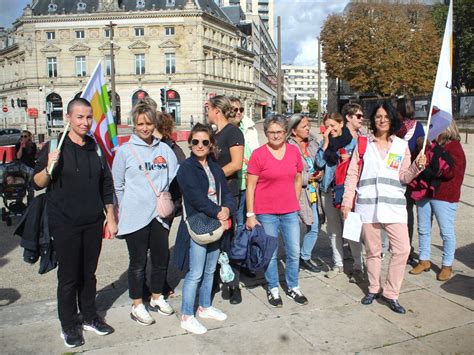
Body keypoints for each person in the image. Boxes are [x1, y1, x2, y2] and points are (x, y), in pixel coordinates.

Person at [32, 98, 116, 348]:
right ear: (68, 118)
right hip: (65, 223)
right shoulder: (55, 146)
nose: (85, 122)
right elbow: (36, 183)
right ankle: (68, 324)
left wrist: (110, 216)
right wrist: (48, 168)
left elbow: (106, 184)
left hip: (92, 221)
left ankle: (89, 316)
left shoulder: (95, 146)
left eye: (88, 117)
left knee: (88, 274)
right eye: (79, 117)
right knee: (69, 277)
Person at [341, 101, 426, 314]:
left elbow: (404, 177)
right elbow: (352, 175)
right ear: (374, 119)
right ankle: (373, 288)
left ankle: (391, 293)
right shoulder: (363, 144)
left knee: (403, 249)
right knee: (373, 251)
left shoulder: (401, 145)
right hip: (368, 206)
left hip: (394, 206)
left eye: (386, 116)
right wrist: (346, 201)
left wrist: (417, 166)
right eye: (378, 116)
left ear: (392, 119)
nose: (382, 120)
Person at [112, 102, 179, 326]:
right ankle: (138, 304)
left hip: (159, 216)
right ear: (134, 124)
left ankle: (158, 297)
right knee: (138, 262)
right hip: (135, 217)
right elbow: (117, 185)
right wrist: (125, 207)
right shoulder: (124, 151)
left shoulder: (164, 149)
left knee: (161, 259)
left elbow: (174, 175)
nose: (145, 128)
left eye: (149, 123)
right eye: (140, 124)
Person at [173, 123, 234, 335]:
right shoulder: (186, 168)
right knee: (196, 272)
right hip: (199, 224)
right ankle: (187, 315)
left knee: (210, 269)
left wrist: (227, 208)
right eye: (196, 141)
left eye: (205, 142)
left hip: (216, 223)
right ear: (190, 143)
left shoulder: (215, 167)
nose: (200, 145)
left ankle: (205, 306)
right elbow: (195, 198)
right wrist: (218, 211)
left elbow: (225, 192)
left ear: (211, 145)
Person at [246, 115, 308, 307]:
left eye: (279, 132)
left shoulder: (293, 151)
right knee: (270, 253)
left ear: (285, 132)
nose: (275, 135)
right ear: (266, 133)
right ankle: (273, 288)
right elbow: (250, 186)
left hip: (289, 211)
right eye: (271, 132)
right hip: (266, 212)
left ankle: (293, 286)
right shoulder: (258, 154)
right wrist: (250, 214)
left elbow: (298, 179)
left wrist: (294, 200)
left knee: (293, 251)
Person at [409, 121, 466, 281]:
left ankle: (447, 264)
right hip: (425, 191)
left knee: (446, 231)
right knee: (423, 229)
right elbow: (418, 163)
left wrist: (432, 148)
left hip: (445, 196)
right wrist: (420, 149)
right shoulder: (430, 144)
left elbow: (448, 171)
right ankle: (424, 259)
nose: (431, 129)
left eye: (434, 127)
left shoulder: (454, 147)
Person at [315, 113, 364, 282]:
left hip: (347, 192)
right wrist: (326, 144)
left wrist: (350, 159)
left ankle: (358, 266)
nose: (330, 129)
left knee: (351, 230)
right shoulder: (326, 143)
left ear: (341, 123)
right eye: (327, 126)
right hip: (329, 190)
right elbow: (320, 164)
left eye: (333, 125)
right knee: (334, 231)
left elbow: (362, 165)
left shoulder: (353, 142)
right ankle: (338, 264)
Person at [207, 95, 244, 304]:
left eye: (209, 108)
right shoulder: (214, 133)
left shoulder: (233, 132)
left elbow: (237, 163)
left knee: (229, 240)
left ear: (217, 111)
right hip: (213, 195)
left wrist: (213, 177)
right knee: (214, 239)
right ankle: (213, 281)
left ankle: (234, 285)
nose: (207, 112)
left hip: (229, 194)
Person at [287, 114, 322, 273]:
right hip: (295, 193)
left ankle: (304, 257)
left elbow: (320, 162)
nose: (308, 128)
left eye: (308, 125)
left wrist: (320, 172)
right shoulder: (289, 147)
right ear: (293, 131)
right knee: (293, 228)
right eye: (304, 126)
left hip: (313, 191)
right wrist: (308, 177)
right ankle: (292, 259)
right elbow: (289, 172)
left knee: (315, 226)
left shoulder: (313, 143)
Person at [394, 96, 426, 266]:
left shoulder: (411, 128)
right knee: (405, 216)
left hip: (407, 177)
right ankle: (402, 248)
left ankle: (406, 249)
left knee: (406, 215)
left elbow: (422, 147)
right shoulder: (399, 127)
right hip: (398, 176)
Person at [228, 96, 260, 237]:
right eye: (235, 109)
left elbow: (256, 153)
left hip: (248, 181)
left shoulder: (250, 128)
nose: (239, 112)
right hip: (232, 181)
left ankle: (240, 250)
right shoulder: (221, 131)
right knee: (231, 220)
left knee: (244, 219)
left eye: (241, 109)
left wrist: (251, 162)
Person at [16, 130, 37, 204]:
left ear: (29, 137)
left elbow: (35, 157)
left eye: (25, 136)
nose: (23, 138)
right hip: (21, 167)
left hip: (30, 166)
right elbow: (18, 156)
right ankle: (18, 202)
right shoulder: (18, 145)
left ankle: (30, 202)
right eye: (22, 136)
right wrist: (21, 147)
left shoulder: (32, 145)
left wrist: (39, 150)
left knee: (30, 186)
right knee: (20, 185)